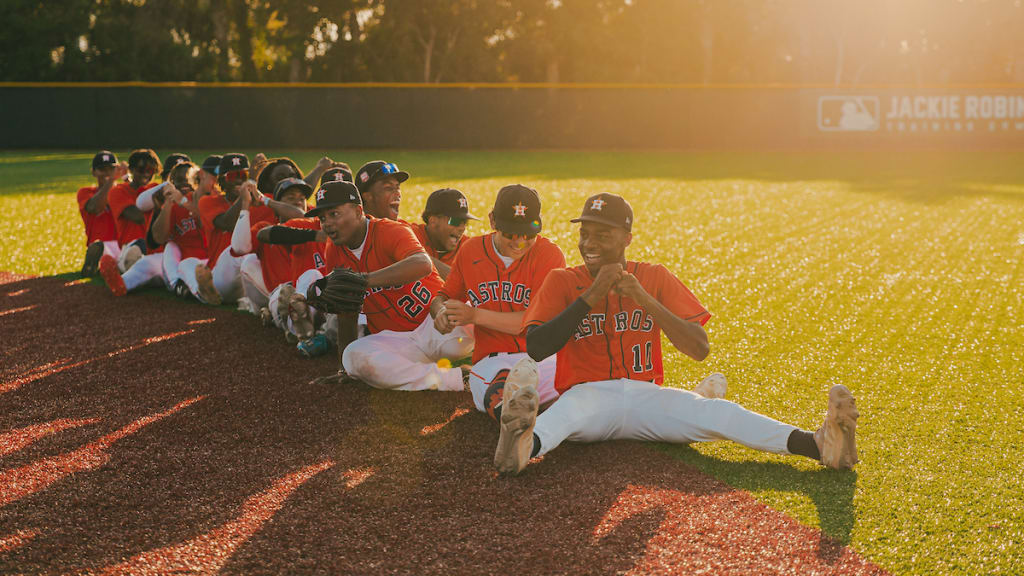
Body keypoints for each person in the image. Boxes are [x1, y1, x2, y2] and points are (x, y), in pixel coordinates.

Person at [494, 193, 859, 475]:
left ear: (627, 238)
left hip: (646, 396)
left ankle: (818, 445)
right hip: (588, 396)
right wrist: (591, 295)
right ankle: (523, 448)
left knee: (718, 414)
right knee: (564, 416)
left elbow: (699, 348)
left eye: (602, 235)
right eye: (584, 234)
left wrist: (642, 296)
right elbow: (538, 347)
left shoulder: (653, 277)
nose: (589, 243)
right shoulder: (563, 280)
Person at [308, 181, 473, 391]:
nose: (327, 224)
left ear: (359, 211)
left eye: (334, 214)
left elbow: (422, 263)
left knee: (476, 301)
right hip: (400, 343)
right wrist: (344, 369)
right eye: (322, 218)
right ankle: (456, 379)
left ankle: (514, 356)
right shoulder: (334, 251)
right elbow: (346, 309)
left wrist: (364, 280)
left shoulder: (388, 230)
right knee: (354, 356)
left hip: (439, 323)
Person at [431, 184, 566, 418]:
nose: (520, 243)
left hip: (543, 361)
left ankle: (548, 416)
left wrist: (474, 315)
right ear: (493, 221)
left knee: (581, 385)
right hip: (494, 363)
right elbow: (444, 296)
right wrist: (441, 312)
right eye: (510, 234)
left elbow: (534, 322)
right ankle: (520, 417)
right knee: (500, 393)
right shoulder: (471, 251)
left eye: (528, 234)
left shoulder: (549, 255)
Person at [190, 153, 304, 305]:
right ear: (222, 180)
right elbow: (227, 223)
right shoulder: (208, 202)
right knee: (244, 253)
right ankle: (202, 290)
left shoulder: (262, 198)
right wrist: (249, 187)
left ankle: (280, 304)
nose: (239, 180)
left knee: (255, 260)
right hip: (222, 276)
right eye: (233, 176)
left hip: (248, 281)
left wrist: (320, 169)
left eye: (243, 174)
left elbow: (295, 198)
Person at [98, 162, 205, 296]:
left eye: (187, 179)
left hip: (203, 259)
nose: (184, 184)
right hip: (175, 261)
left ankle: (186, 287)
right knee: (148, 262)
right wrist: (164, 206)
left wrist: (183, 202)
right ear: (170, 183)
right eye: (178, 180)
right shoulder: (170, 203)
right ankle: (122, 284)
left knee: (185, 262)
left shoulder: (205, 199)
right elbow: (155, 239)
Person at [106, 149, 161, 272]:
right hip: (131, 246)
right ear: (132, 169)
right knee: (135, 253)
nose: (146, 174)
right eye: (141, 169)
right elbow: (137, 217)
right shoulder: (118, 191)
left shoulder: (155, 187)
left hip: (155, 248)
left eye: (150, 170)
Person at [76, 151, 125, 276]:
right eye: (102, 169)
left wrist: (127, 177)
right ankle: (97, 266)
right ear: (94, 172)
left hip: (124, 244)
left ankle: (102, 269)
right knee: (102, 251)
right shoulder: (86, 192)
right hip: (101, 244)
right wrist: (112, 181)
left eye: (111, 169)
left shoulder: (124, 191)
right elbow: (95, 207)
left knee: (132, 257)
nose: (107, 173)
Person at [409, 188, 475, 279]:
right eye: (455, 221)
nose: (462, 228)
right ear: (433, 221)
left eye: (465, 222)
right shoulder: (411, 234)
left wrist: (417, 256)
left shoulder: (468, 248)